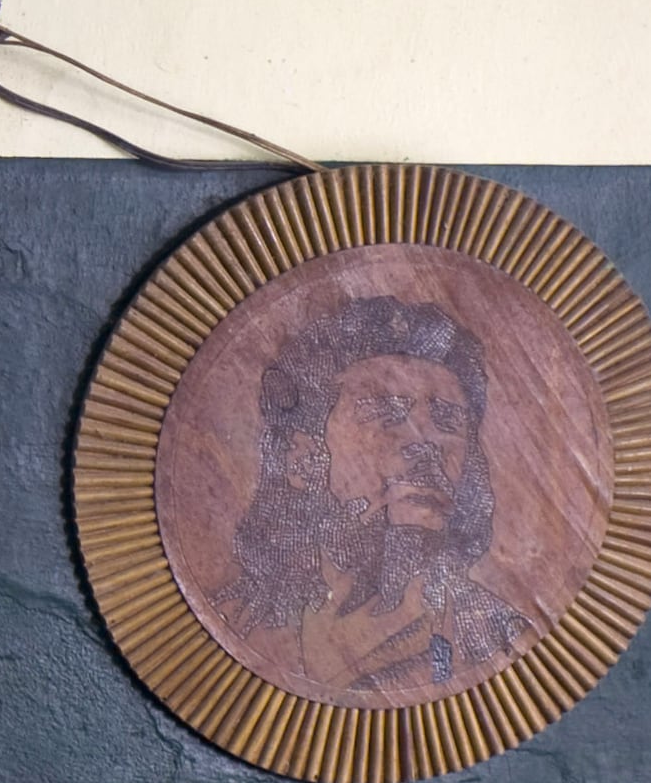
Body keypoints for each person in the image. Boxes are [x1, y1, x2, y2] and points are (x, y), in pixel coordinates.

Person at [224, 291, 535, 705]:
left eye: (447, 422)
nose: (427, 443)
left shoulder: (500, 644)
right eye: (387, 414)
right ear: (302, 458)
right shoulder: (233, 626)